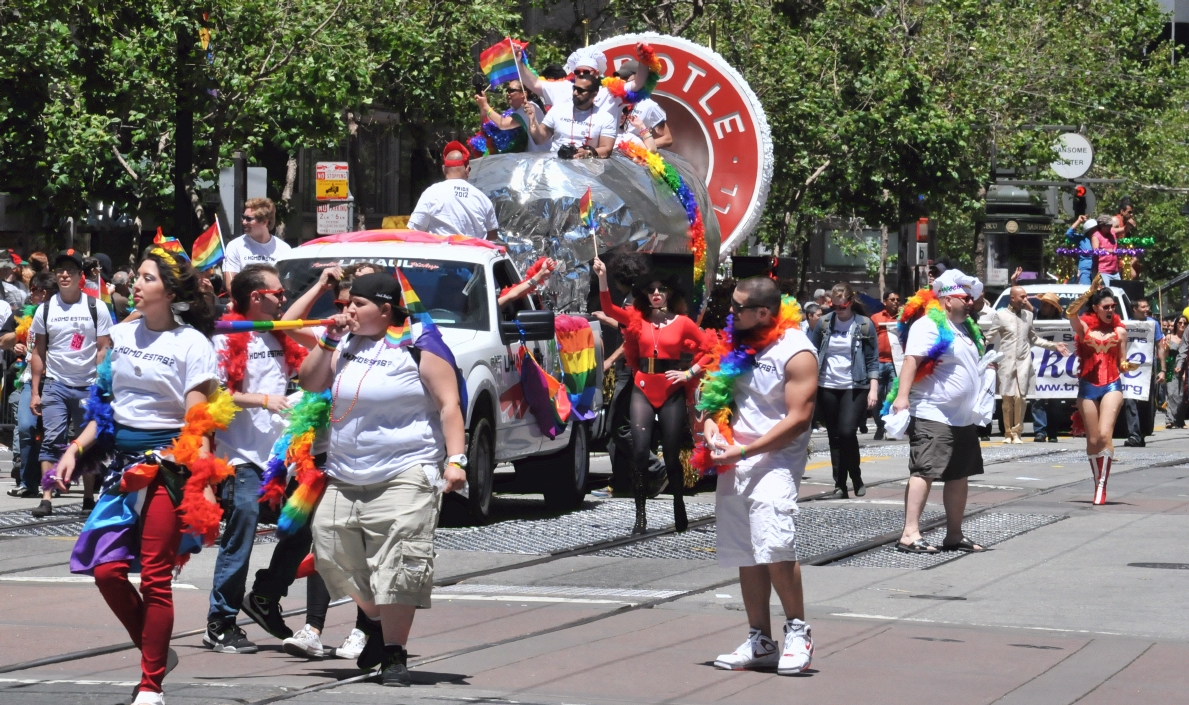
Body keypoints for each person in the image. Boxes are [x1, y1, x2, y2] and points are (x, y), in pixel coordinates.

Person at [56, 245, 221, 705]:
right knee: (106, 571)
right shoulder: (122, 336)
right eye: (138, 278)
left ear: (168, 291)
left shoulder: (192, 343)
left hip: (168, 467)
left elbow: (197, 421)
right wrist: (75, 448)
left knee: (154, 578)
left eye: (147, 278)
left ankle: (150, 684)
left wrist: (202, 482)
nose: (136, 285)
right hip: (120, 469)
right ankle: (156, 651)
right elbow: (102, 408)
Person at [299, 272, 467, 686]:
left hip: (406, 471)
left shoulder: (418, 346)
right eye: (346, 304)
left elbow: (449, 405)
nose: (348, 310)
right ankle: (374, 618)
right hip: (345, 473)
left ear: (386, 309)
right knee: (328, 547)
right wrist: (326, 340)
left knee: (399, 564)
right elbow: (309, 381)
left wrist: (456, 460)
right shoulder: (346, 345)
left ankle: (394, 653)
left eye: (357, 304)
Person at [203, 263, 341, 653]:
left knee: (303, 528)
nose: (283, 298)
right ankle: (221, 621)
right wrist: (263, 400)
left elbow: (305, 331)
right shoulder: (225, 337)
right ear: (255, 297)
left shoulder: (281, 332)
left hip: (283, 457)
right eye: (277, 293)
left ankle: (264, 595)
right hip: (241, 454)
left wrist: (321, 286)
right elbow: (214, 395)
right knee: (243, 524)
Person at [699, 277, 816, 676]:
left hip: (775, 461)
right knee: (745, 552)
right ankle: (760, 640)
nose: (730, 313)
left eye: (737, 307)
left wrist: (746, 449)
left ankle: (798, 632)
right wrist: (713, 424)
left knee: (775, 544)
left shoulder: (796, 350)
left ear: (763, 313)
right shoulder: (738, 340)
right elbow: (721, 394)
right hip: (734, 460)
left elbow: (800, 418)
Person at [593, 256, 710, 533]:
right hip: (642, 388)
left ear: (670, 293)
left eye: (661, 289)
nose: (656, 294)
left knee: (670, 455)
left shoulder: (682, 323)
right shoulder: (637, 319)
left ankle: (679, 507)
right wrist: (602, 276)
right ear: (645, 296)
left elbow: (710, 348)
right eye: (651, 290)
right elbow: (608, 307)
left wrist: (689, 373)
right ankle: (640, 516)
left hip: (671, 389)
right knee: (640, 451)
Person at [891, 270, 987, 554]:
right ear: (947, 300)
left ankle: (954, 535)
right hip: (934, 413)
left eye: (971, 298)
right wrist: (902, 397)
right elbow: (911, 361)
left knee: (959, 474)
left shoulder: (966, 329)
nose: (971, 302)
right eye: (965, 297)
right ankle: (909, 534)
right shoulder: (929, 325)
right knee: (925, 470)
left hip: (962, 416)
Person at [28, 250, 111, 517]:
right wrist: (34, 391)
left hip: (87, 385)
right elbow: (38, 352)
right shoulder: (46, 309)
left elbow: (103, 349)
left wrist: (100, 384)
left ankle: (88, 497)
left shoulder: (96, 307)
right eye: (61, 270)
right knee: (52, 439)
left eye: (71, 271)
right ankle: (47, 496)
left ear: (80, 277)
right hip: (55, 384)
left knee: (86, 443)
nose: (65, 275)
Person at [589, 253, 665, 498]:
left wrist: (610, 360)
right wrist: (609, 319)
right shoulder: (639, 300)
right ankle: (624, 483)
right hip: (640, 371)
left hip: (638, 373)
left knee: (619, 426)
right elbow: (629, 326)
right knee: (622, 426)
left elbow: (632, 334)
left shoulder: (635, 302)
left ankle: (656, 468)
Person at [808, 283, 878, 498]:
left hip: (854, 386)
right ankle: (840, 484)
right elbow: (811, 352)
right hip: (827, 385)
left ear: (850, 302)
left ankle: (855, 475)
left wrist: (873, 389)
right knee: (834, 437)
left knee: (847, 432)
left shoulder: (864, 325)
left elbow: (872, 359)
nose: (837, 310)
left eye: (842, 306)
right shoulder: (824, 323)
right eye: (834, 306)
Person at [1067, 277, 1130, 505]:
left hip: (1112, 383)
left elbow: (1122, 360)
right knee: (1093, 440)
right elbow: (1070, 313)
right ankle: (1097, 480)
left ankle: (1102, 486)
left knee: (1105, 435)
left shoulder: (1120, 332)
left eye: (1113, 307)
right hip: (1088, 386)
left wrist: (1126, 365)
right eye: (1106, 307)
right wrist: (1087, 293)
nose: (1111, 310)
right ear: (1095, 308)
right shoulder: (1084, 328)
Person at [988, 286, 1068, 444]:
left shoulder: (1029, 316)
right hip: (1006, 361)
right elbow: (989, 336)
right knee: (1006, 399)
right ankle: (1007, 433)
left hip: (1024, 361)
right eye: (1022, 297)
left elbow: (1034, 338)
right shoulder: (1001, 315)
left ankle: (1017, 432)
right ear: (1013, 298)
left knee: (1020, 398)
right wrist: (978, 347)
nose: (1026, 300)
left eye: (1026, 297)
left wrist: (1054, 346)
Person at [7, 272, 55, 499]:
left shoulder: (62, 314)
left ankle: (50, 483)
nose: (32, 295)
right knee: (26, 427)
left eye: (34, 291)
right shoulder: (24, 314)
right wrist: (17, 342)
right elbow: (4, 338)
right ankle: (28, 482)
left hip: (57, 380)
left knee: (53, 433)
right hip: (30, 379)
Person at [407, 142, 499, 241]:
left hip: (441, 255)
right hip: (473, 255)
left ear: (443, 169)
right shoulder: (482, 198)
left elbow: (414, 231)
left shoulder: (431, 194)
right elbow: (492, 236)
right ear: (467, 169)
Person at [528, 76, 617, 158]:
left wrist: (588, 153)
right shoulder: (558, 110)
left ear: (593, 94)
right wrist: (533, 119)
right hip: (556, 167)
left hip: (587, 170)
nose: (575, 93)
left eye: (580, 90)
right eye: (574, 88)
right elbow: (539, 139)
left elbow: (607, 149)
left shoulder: (606, 118)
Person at [223, 198, 292, 288]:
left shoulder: (284, 248)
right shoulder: (235, 246)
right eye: (243, 217)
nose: (244, 222)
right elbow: (230, 286)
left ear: (264, 222)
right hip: (245, 300)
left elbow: (287, 285)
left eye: (248, 219)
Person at [1123, 297, 1163, 447]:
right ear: (1135, 309)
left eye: (1147, 307)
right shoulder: (1125, 324)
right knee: (1130, 400)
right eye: (1143, 307)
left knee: (1145, 402)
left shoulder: (1154, 324)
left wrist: (1163, 370)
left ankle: (1143, 432)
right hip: (1129, 368)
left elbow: (1160, 346)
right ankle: (1134, 434)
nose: (1147, 309)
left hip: (1148, 368)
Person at [473, 80, 549, 154]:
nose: (507, 93)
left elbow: (502, 124)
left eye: (511, 90)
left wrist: (485, 106)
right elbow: (490, 124)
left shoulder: (529, 108)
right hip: (533, 157)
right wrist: (482, 107)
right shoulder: (514, 110)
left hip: (544, 157)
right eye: (507, 90)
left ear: (523, 94)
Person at [1031, 292, 1066, 442]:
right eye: (1042, 303)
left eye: (1047, 304)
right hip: (1037, 365)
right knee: (1036, 399)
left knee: (1055, 400)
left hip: (1056, 367)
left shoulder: (1064, 324)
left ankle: (1053, 433)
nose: (1043, 307)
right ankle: (1040, 431)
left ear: (1054, 308)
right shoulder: (1033, 319)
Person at [870, 291, 900, 440]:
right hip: (879, 363)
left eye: (897, 300)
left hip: (896, 363)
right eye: (892, 299)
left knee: (893, 396)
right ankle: (880, 425)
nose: (895, 302)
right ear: (885, 301)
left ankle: (890, 427)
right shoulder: (876, 318)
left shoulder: (903, 318)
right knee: (877, 397)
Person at [1165, 316, 1187, 428]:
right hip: (1170, 366)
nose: (1182, 325)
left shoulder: (1186, 338)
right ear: (1176, 324)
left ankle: (1179, 420)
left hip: (1183, 368)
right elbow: (1164, 354)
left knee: (1180, 396)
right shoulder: (1169, 337)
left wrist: (1184, 372)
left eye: (1184, 323)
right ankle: (1169, 419)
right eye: (1180, 323)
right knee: (1171, 393)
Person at [1092, 215, 1121, 287]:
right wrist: (1106, 250)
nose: (1111, 226)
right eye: (1109, 225)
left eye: (1111, 224)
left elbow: (1124, 230)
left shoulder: (1112, 233)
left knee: (1119, 289)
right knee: (1108, 291)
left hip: (1115, 270)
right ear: (1102, 226)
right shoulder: (1096, 236)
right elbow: (1095, 251)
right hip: (1103, 271)